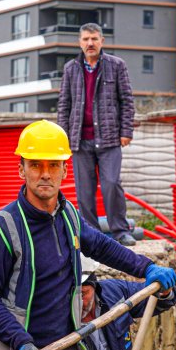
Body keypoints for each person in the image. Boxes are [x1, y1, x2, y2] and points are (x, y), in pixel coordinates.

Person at [0, 120, 176, 350]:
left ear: (65, 170)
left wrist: (147, 268)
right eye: (36, 165)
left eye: (53, 165)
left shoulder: (68, 215)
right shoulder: (3, 228)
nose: (45, 174)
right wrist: (20, 341)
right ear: (21, 170)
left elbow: (102, 246)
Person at [56, 23, 137, 246]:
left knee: (111, 184)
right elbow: (64, 104)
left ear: (102, 41)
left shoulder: (116, 65)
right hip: (80, 140)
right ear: (79, 43)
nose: (90, 43)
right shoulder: (70, 69)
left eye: (94, 39)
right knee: (84, 191)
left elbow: (127, 100)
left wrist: (126, 131)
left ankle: (120, 231)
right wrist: (63, 137)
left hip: (109, 138)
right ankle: (91, 235)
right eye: (85, 39)